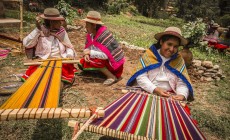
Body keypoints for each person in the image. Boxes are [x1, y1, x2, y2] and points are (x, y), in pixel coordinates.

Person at [127, 27, 194, 101]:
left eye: (175, 46)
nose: (171, 49)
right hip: (146, 91)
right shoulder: (149, 55)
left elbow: (182, 82)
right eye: (169, 44)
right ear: (161, 42)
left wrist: (181, 94)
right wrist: (155, 89)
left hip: (169, 96)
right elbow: (140, 77)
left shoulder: (178, 60)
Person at [22, 8, 77, 87]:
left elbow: (68, 46)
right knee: (37, 79)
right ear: (51, 22)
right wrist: (37, 30)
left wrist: (69, 54)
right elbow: (26, 44)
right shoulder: (40, 31)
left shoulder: (61, 31)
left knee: (56, 81)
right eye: (58, 21)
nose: (60, 23)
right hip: (43, 62)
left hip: (60, 62)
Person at [78, 11, 125, 86]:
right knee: (83, 61)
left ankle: (111, 76)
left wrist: (90, 53)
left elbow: (106, 55)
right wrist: (86, 54)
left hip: (115, 66)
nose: (85, 27)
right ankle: (101, 71)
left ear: (94, 25)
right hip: (105, 61)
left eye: (87, 24)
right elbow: (88, 47)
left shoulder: (104, 35)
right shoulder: (90, 35)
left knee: (93, 59)